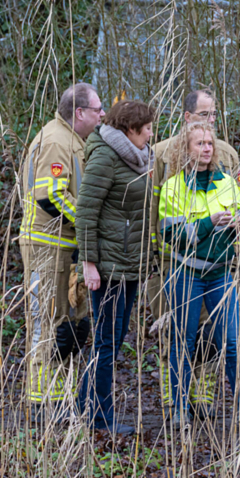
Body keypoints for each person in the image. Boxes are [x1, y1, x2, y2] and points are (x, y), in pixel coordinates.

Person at [148, 90, 240, 418]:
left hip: (219, 269)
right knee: (178, 339)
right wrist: (205, 225)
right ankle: (175, 403)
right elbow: (162, 220)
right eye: (204, 115)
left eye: (214, 115)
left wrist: (237, 234)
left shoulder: (227, 163)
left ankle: (214, 402)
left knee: (222, 340)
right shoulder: (162, 157)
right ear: (188, 118)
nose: (211, 123)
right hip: (178, 267)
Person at [18, 83, 104, 420]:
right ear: (79, 112)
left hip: (67, 247)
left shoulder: (73, 139)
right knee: (47, 322)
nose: (102, 115)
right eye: (97, 110)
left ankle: (60, 397)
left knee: (72, 326)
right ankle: (42, 403)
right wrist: (88, 224)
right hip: (46, 246)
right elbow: (49, 196)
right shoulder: (56, 140)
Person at [75, 100, 156, 435]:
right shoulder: (106, 155)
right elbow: (86, 211)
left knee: (115, 338)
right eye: (147, 127)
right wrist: (89, 264)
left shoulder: (140, 157)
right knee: (106, 343)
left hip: (131, 263)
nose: (151, 133)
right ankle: (100, 418)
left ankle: (82, 405)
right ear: (129, 129)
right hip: (108, 265)